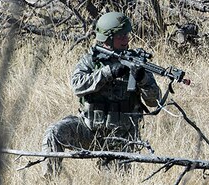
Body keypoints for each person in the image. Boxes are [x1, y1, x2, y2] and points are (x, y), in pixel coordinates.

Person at [41, 11, 162, 174]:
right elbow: (77, 86)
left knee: (113, 181)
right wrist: (107, 73)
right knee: (54, 133)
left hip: (122, 136)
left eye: (126, 35)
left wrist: (142, 79)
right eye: (120, 36)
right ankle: (50, 181)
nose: (126, 40)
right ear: (107, 38)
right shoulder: (91, 61)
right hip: (89, 130)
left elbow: (154, 102)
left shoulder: (136, 63)